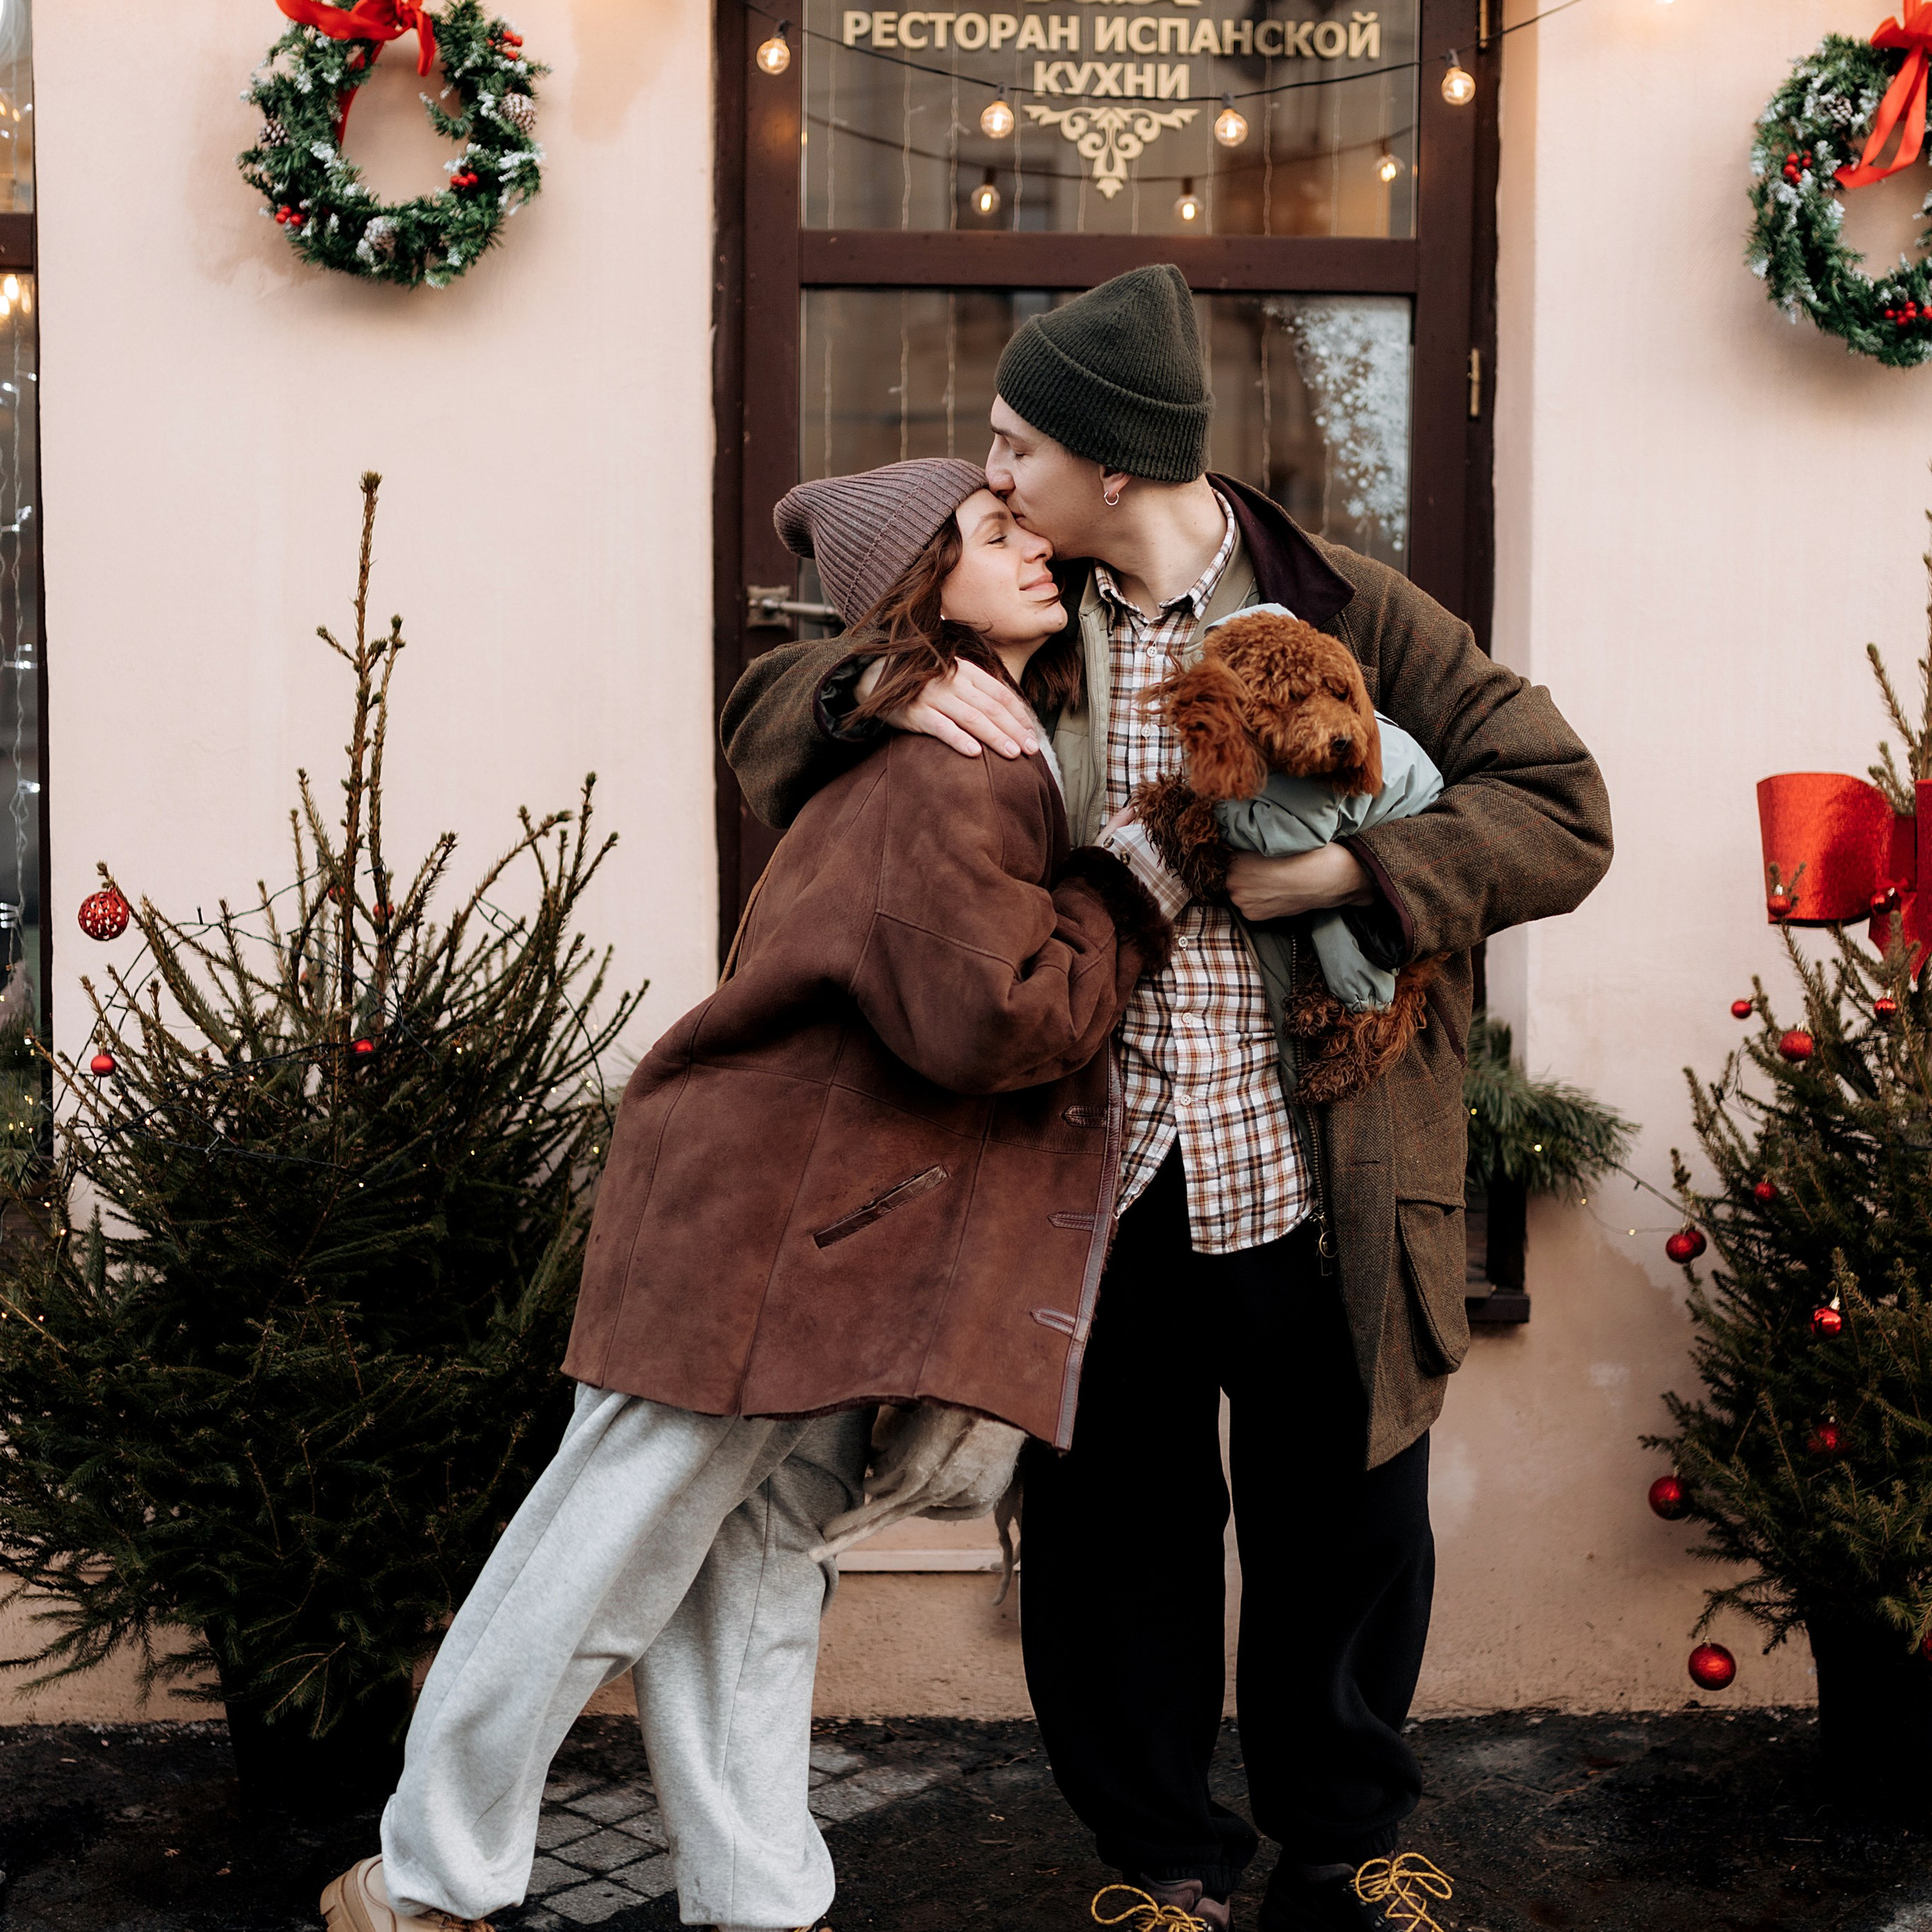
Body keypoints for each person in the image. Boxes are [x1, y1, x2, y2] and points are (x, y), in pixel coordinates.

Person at [721, 266, 1614, 1932]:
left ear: (1112, 460)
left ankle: (1346, 1847)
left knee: (1344, 1523)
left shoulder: (1344, 606)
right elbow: (765, 718)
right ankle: (1157, 1865)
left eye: (1013, 446)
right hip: (1086, 1176)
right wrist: (874, 684)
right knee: (1103, 1542)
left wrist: (1358, 867)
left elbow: (1558, 805)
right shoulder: (1001, 605)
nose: (987, 479)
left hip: (1312, 1163)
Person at [318, 458, 1171, 1932]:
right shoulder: (946, 761)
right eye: (988, 532)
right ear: (917, 586)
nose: (1031, 545)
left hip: (808, 1222)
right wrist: (1121, 896)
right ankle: (423, 1878)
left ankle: (758, 1896)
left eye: (1030, 524)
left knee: (752, 1574)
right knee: (596, 1555)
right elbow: (992, 1019)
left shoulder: (978, 735)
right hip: (765, 1224)